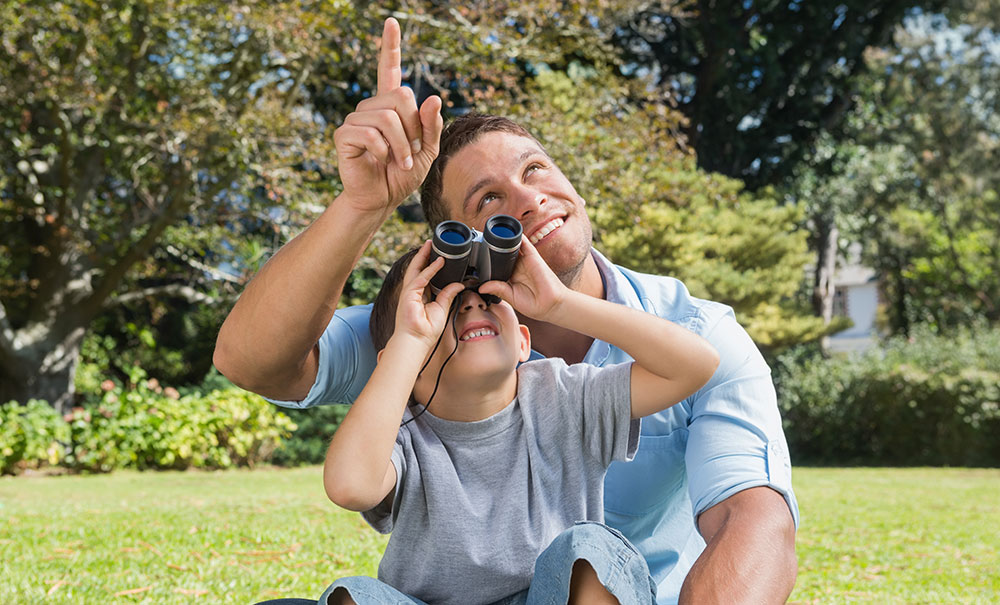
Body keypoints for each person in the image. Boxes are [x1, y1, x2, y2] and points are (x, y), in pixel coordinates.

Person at [217, 17, 799, 605]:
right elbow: (252, 363)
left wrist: (562, 307)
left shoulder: (658, 346)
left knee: (587, 551)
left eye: (535, 169)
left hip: (597, 589)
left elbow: (752, 521)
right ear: (459, 248)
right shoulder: (429, 329)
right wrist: (362, 204)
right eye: (489, 203)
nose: (527, 200)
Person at [318, 237, 719, 605]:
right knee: (353, 595)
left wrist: (561, 304)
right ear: (400, 368)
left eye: (489, 297)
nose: (473, 304)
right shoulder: (401, 433)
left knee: (592, 550)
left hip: (553, 597)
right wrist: (410, 340)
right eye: (444, 306)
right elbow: (350, 486)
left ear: (524, 341)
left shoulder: (563, 396)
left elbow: (694, 366)